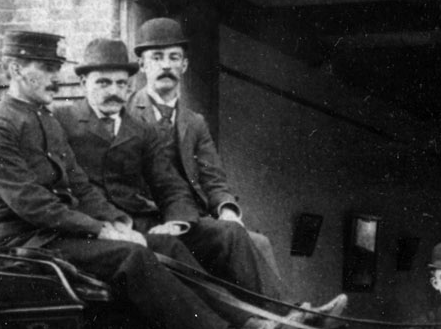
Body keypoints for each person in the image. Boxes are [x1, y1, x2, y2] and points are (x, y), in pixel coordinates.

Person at [0, 29, 279, 329]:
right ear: (14, 69)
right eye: (47, 68)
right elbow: (31, 204)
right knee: (132, 257)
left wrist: (118, 220)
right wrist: (100, 229)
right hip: (26, 244)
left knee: (167, 246)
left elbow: (78, 184)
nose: (56, 76)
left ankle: (245, 325)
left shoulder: (44, 120)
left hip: (57, 235)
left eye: (56, 67)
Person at [54, 38, 278, 299]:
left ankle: (286, 318)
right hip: (98, 225)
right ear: (83, 83)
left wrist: (176, 222)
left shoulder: (140, 128)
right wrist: (104, 224)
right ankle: (247, 322)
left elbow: (170, 184)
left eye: (121, 83)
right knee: (171, 251)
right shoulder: (61, 120)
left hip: (147, 221)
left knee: (230, 232)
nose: (113, 91)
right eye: (103, 83)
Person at [126, 16, 287, 301]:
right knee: (230, 238)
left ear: (184, 66)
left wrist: (228, 211)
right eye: (157, 57)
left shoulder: (194, 122)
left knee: (257, 241)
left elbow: (213, 177)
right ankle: (285, 318)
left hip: (192, 220)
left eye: (174, 57)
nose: (166, 65)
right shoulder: (126, 114)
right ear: (142, 65)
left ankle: (282, 320)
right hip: (150, 221)